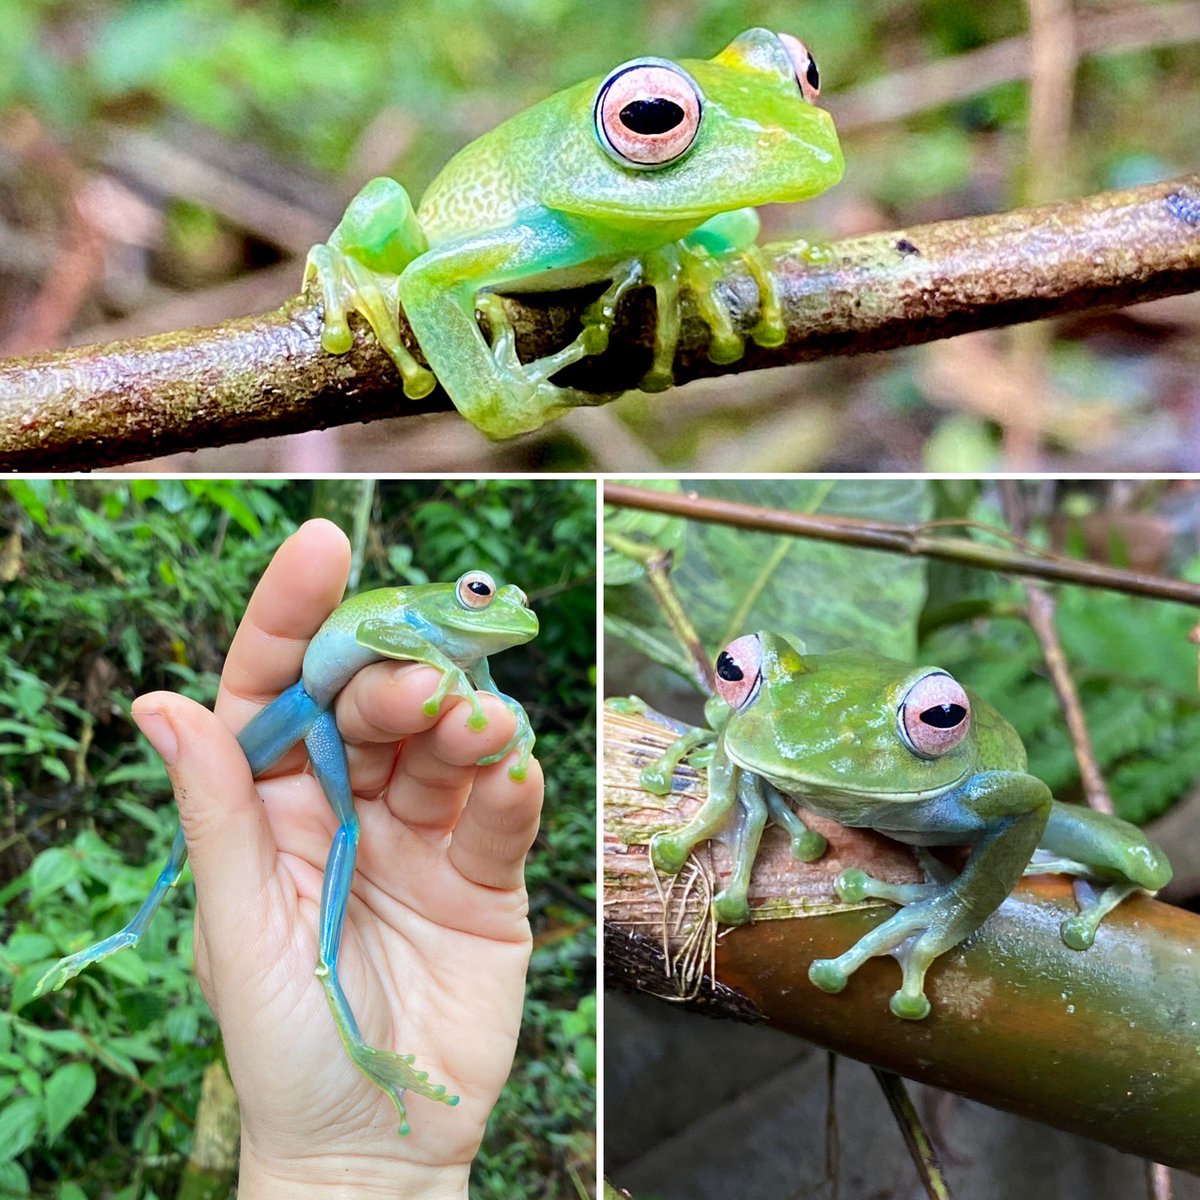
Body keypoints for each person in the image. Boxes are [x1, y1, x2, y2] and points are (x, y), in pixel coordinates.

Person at [130, 519, 544, 1198]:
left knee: (348, 830)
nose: (501, 608)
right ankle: (138, 919)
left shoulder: (461, 653)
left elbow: (486, 694)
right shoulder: (415, 617)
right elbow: (383, 634)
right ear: (454, 595)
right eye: (480, 593)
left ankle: (349, 1026)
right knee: (224, 776)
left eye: (512, 602)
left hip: (331, 724)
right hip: (304, 706)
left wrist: (499, 705)